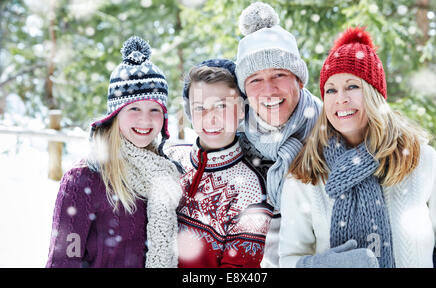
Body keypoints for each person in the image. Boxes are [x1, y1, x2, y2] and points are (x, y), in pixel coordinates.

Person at [279, 27, 436, 268]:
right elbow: (287, 261)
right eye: (331, 90)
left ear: (374, 94)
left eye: (352, 86)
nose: (341, 99)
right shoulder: (307, 175)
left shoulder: (422, 162)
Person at [46, 36, 182, 268]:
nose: (145, 119)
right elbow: (63, 261)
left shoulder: (167, 174)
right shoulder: (84, 179)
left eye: (154, 109)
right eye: (134, 108)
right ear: (115, 114)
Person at [234, 2, 322, 267]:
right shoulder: (234, 141)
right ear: (245, 90)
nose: (268, 90)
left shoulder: (333, 129)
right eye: (255, 80)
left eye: (279, 74)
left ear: (299, 80)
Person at [166, 59, 273, 268]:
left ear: (242, 110)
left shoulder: (249, 189)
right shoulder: (170, 158)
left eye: (222, 106)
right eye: (200, 108)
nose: (210, 119)